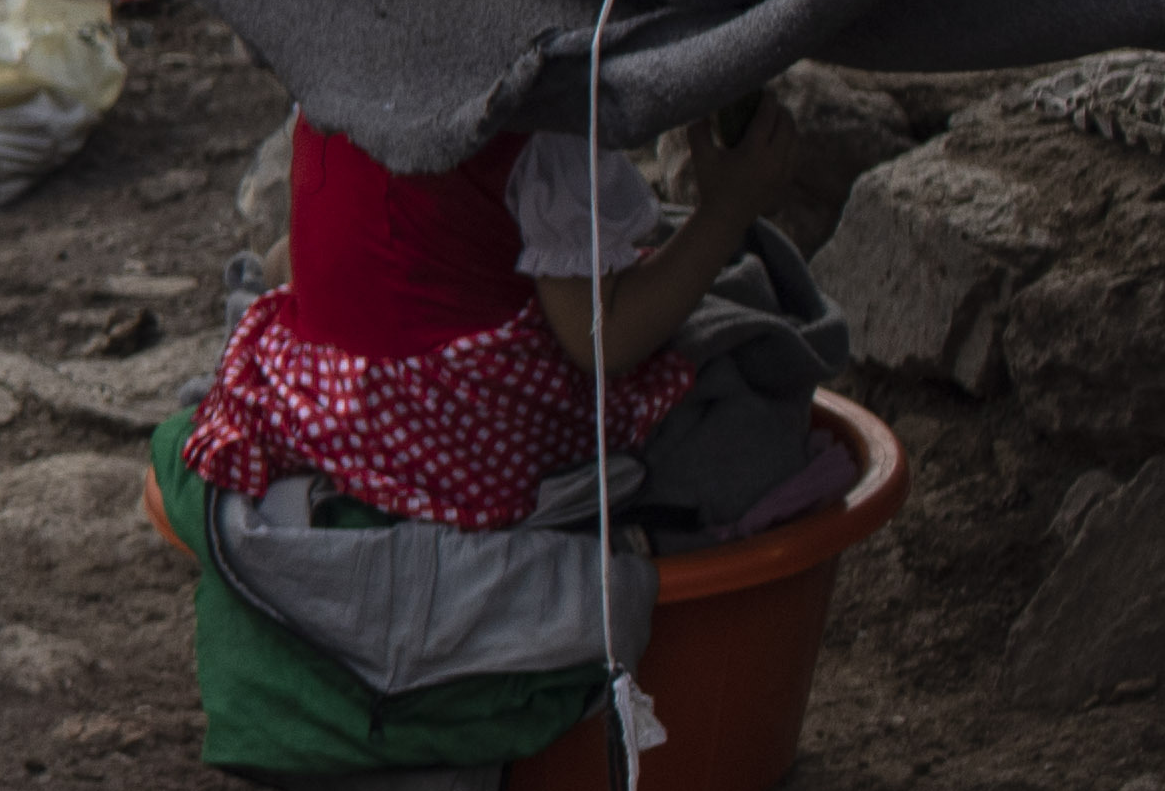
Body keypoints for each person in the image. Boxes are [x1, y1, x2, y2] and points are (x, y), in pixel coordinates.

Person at [188, 100, 811, 533]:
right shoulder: (541, 115)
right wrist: (726, 211)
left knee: (279, 279)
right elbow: (604, 339)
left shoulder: (330, 78)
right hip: (462, 441)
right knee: (745, 416)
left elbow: (293, 261)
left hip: (319, 412)